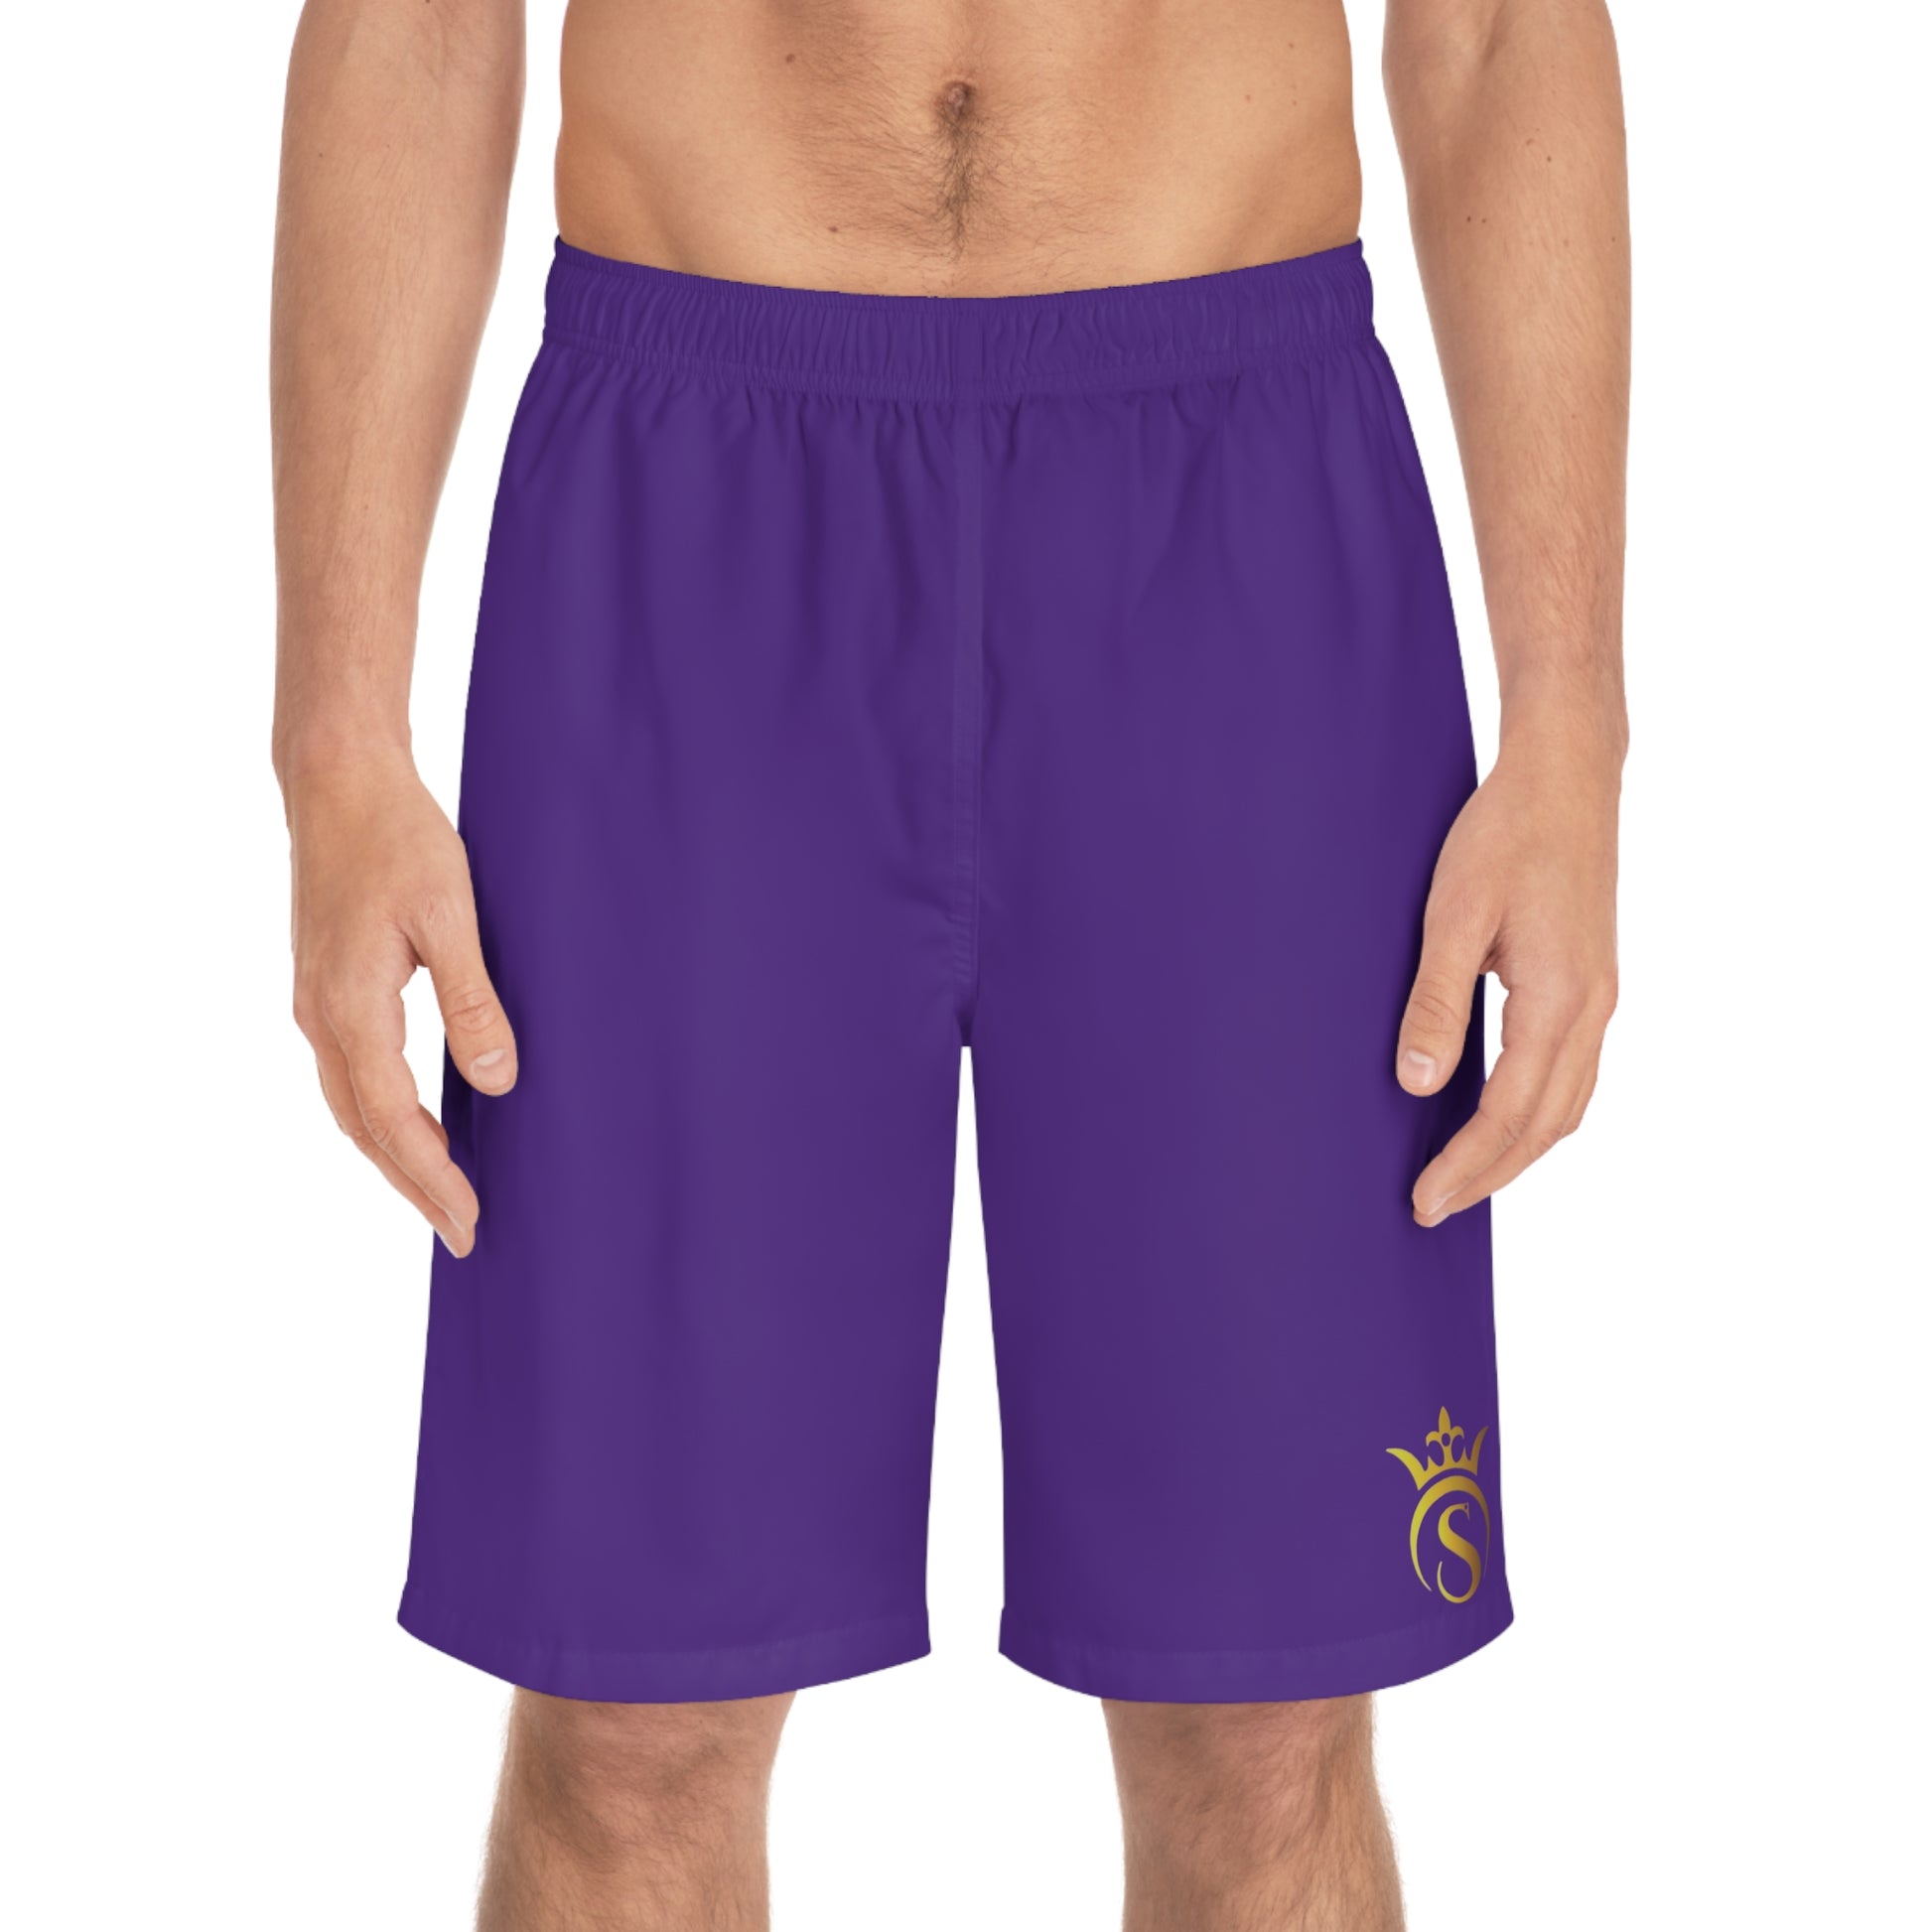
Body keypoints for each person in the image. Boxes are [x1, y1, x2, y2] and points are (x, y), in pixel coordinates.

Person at [271, 0, 1626, 1923]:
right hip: (689, 514)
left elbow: (1492, 27)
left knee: (1262, 1721)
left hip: (1233, 512)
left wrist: (1569, 721)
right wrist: (335, 733)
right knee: (631, 1718)